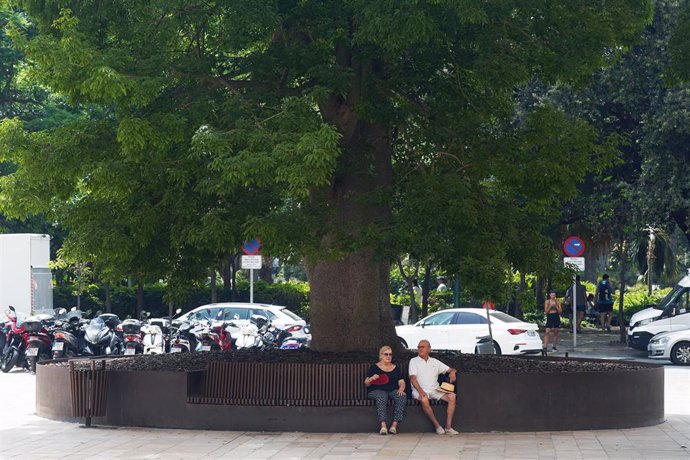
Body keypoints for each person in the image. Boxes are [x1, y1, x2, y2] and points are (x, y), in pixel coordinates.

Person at [408, 339, 459, 435]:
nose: (420, 349)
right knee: (424, 399)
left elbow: (450, 369)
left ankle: (448, 427)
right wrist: (421, 392)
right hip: (418, 389)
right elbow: (413, 379)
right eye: (418, 347)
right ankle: (437, 426)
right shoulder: (414, 361)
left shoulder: (435, 362)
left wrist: (452, 372)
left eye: (422, 347)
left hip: (435, 389)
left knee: (452, 396)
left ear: (429, 349)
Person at [364, 345, 407, 435]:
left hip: (392, 390)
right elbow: (366, 383)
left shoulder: (396, 368)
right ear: (381, 355)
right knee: (382, 396)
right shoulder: (374, 368)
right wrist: (371, 378)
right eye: (386, 354)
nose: (388, 356)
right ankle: (383, 425)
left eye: (390, 354)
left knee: (402, 396)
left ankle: (394, 425)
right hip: (376, 391)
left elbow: (401, 381)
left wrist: (401, 388)